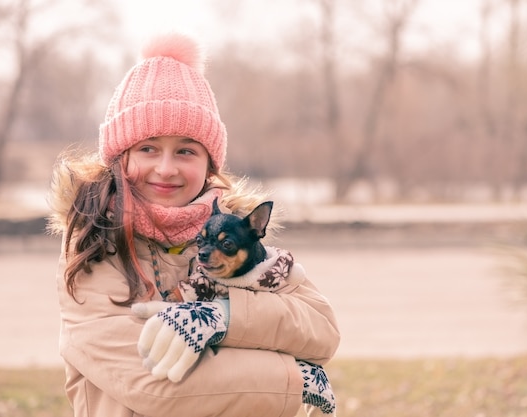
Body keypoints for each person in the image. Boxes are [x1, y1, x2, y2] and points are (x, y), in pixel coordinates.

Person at [47, 32, 341, 417]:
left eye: (185, 150)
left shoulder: (236, 237)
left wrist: (223, 317)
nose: (166, 169)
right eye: (148, 148)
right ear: (120, 157)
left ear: (209, 164)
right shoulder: (93, 250)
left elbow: (321, 331)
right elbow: (155, 385)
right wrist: (297, 378)